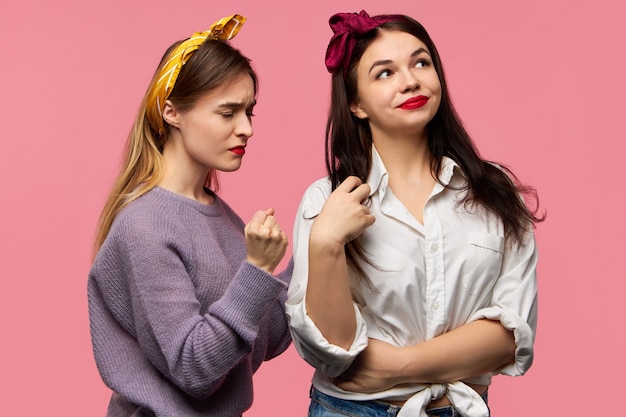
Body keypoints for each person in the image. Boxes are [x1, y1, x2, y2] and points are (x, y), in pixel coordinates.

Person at [286, 10, 544, 417]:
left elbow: (510, 338)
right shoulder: (327, 200)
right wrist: (325, 243)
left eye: (421, 62)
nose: (410, 81)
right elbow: (333, 353)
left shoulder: (494, 192)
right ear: (356, 103)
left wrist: (395, 366)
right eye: (384, 73)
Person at [88, 14, 292, 417]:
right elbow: (194, 369)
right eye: (227, 112)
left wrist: (318, 238)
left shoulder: (222, 217)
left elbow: (265, 338)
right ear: (171, 112)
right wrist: (257, 268)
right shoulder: (144, 226)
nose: (246, 128)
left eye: (250, 111)